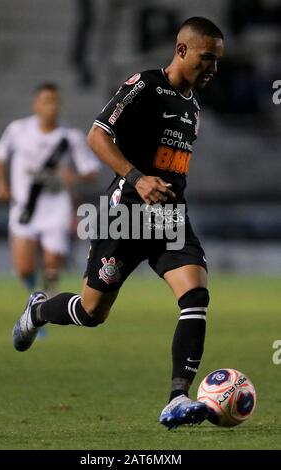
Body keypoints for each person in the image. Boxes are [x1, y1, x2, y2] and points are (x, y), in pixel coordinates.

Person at [12, 18, 224, 429]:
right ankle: (39, 310)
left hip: (169, 219)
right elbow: (97, 135)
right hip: (122, 216)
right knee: (92, 312)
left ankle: (178, 398)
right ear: (182, 51)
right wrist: (137, 179)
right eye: (207, 58)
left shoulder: (192, 107)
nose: (213, 68)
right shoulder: (145, 86)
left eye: (218, 61)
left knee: (196, 294)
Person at [0, 83, 100, 297]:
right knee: (24, 268)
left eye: (55, 102)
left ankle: (44, 307)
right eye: (47, 101)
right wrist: (1, 184)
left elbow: (92, 171)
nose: (52, 106)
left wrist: (75, 177)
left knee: (52, 263)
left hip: (56, 208)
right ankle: (33, 296)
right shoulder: (18, 130)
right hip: (25, 207)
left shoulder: (70, 136)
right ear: (36, 105)